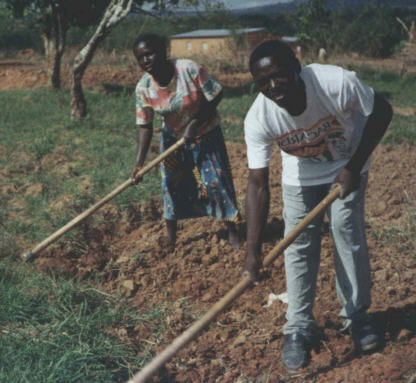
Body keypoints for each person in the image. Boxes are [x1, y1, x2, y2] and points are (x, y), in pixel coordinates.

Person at [242, 40, 393, 371]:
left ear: (296, 67)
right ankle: (298, 326)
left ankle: (356, 316)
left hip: (350, 162)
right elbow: (257, 184)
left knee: (345, 228)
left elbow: (382, 110)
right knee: (297, 241)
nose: (272, 87)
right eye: (262, 83)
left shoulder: (335, 82)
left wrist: (354, 166)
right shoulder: (259, 117)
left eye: (279, 77)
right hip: (301, 172)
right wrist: (252, 249)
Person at [131, 33, 241, 249]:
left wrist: (196, 122)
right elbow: (145, 126)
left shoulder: (188, 69)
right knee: (171, 184)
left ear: (163, 52)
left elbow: (216, 94)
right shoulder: (143, 88)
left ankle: (233, 230)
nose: (146, 61)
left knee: (216, 180)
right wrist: (139, 163)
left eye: (150, 54)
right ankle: (171, 237)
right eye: (140, 58)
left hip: (206, 133)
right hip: (172, 139)